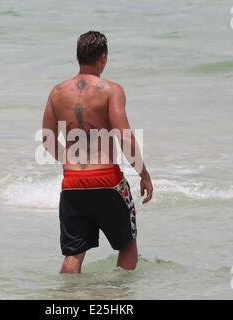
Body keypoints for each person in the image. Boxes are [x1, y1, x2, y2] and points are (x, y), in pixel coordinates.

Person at [42, 31, 153, 273]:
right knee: (127, 246)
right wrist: (144, 174)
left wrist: (68, 162)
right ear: (103, 57)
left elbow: (46, 138)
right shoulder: (111, 90)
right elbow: (124, 135)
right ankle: (117, 300)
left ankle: (67, 299)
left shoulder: (57, 92)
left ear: (78, 57)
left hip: (72, 182)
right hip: (107, 180)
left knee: (74, 255)